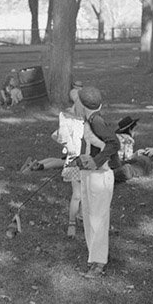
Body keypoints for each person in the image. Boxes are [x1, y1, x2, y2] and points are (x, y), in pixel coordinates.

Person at [75, 86, 120, 279]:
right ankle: (95, 255)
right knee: (89, 216)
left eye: (76, 101)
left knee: (98, 219)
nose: (74, 104)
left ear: (83, 105)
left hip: (100, 176)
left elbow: (113, 143)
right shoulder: (88, 120)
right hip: (90, 174)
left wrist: (96, 161)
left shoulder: (96, 121)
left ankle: (99, 263)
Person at [52, 81, 85, 238]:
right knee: (77, 194)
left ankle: (82, 216)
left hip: (87, 161)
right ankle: (71, 223)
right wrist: (66, 145)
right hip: (73, 162)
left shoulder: (87, 119)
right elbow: (56, 135)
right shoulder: (68, 118)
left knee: (86, 193)